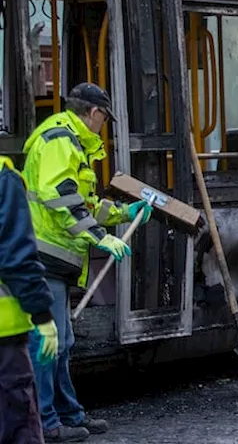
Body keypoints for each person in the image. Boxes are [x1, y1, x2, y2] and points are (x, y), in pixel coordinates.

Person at [25, 82, 149, 441]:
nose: (103, 125)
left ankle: (68, 414)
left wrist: (124, 212)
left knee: (60, 343)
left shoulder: (70, 142)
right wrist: (100, 237)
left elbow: (85, 202)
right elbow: (60, 198)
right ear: (94, 113)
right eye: (105, 118)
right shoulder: (60, 141)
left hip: (54, 260)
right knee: (51, 343)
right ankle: (47, 423)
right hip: (45, 257)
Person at [0, 147, 58, 444]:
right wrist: (43, 315)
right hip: (4, 339)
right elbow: (16, 257)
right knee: (17, 427)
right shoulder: (3, 175)